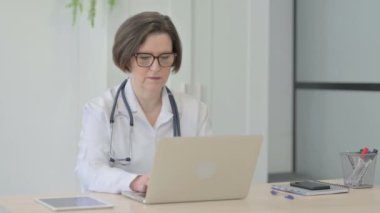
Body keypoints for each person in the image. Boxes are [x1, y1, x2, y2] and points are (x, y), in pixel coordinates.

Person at [75, 11, 211, 194]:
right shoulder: (101, 110)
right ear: (127, 59)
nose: (155, 68)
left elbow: (208, 169)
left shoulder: (195, 111)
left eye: (164, 58)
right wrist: (134, 182)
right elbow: (89, 171)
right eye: (145, 58)